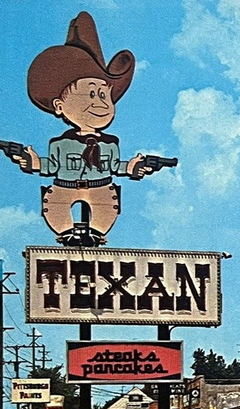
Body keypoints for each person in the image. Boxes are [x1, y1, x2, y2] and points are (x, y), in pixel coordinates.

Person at [10, 12, 159, 246]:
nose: (99, 103)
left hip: (101, 188)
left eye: (103, 95)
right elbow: (51, 166)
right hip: (64, 188)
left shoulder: (110, 144)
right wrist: (34, 162)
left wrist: (131, 167)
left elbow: (115, 166)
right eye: (90, 94)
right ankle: (66, 233)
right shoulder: (60, 144)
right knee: (56, 208)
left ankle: (96, 234)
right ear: (59, 106)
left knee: (105, 210)